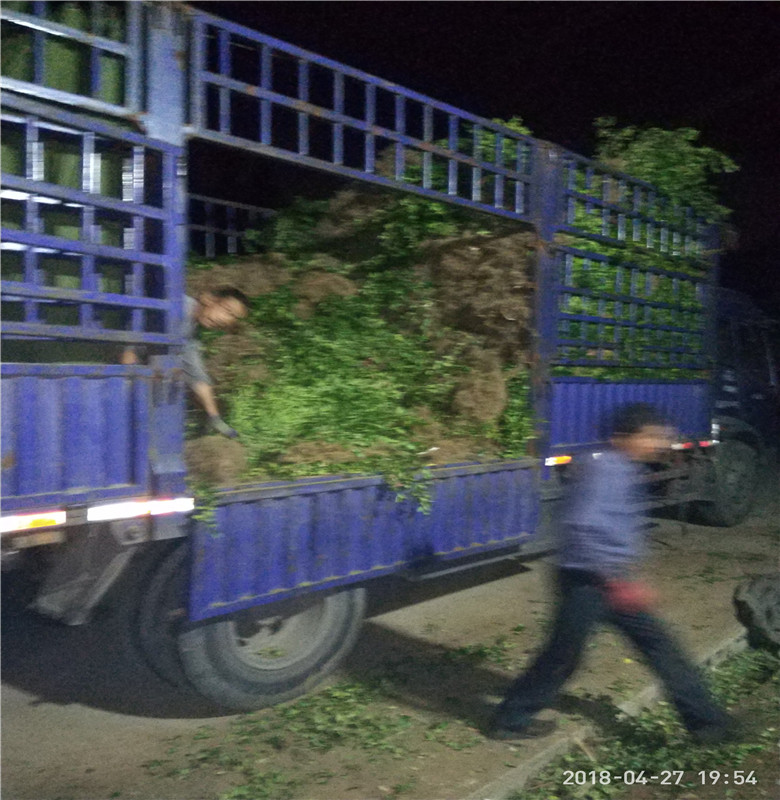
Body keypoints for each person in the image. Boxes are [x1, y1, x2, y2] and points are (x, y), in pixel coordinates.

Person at [489, 403, 736, 744]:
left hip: (605, 578)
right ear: (624, 438)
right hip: (587, 582)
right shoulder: (606, 470)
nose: (659, 443)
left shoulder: (619, 466)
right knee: (564, 657)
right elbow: (583, 525)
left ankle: (710, 725)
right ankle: (510, 719)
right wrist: (618, 579)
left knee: (658, 647)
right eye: (651, 436)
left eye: (661, 436)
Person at [122, 287, 249, 438]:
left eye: (232, 317)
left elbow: (196, 374)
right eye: (227, 310)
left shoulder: (190, 331)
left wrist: (214, 418)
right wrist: (127, 390)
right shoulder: (175, 307)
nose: (225, 319)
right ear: (209, 299)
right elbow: (130, 347)